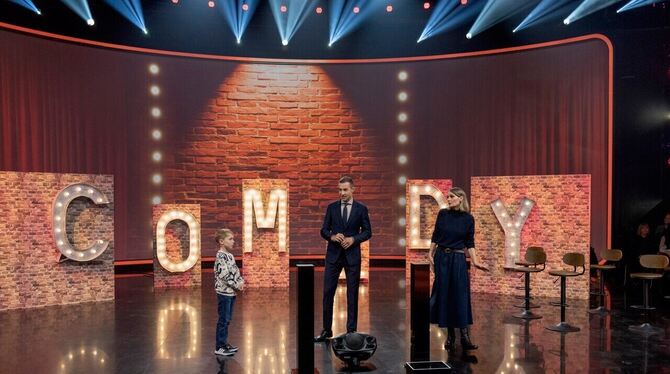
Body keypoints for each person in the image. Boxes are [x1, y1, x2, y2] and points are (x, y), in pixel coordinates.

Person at [428, 187, 487, 351]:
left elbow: (470, 242)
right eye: (448, 197)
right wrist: (430, 253)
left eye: (452, 196)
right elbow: (436, 235)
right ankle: (450, 336)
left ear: (461, 199)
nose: (449, 199)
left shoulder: (468, 218)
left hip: (458, 259)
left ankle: (465, 337)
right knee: (445, 295)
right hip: (442, 257)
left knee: (460, 296)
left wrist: (475, 261)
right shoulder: (443, 214)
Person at [314, 176, 372, 342]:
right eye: (339, 190)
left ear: (353, 189)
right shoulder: (331, 208)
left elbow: (368, 232)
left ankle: (351, 331)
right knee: (327, 293)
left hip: (352, 256)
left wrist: (353, 239)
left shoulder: (361, 209)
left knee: (352, 294)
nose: (342, 193)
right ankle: (326, 330)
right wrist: (332, 236)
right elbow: (324, 230)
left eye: (345, 190)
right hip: (333, 256)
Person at [214, 229, 245, 356]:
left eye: (233, 239)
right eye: (230, 239)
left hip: (232, 293)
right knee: (223, 319)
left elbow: (235, 271)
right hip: (224, 293)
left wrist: (241, 281)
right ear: (222, 241)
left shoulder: (230, 256)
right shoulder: (220, 256)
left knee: (227, 319)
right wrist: (237, 284)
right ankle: (219, 346)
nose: (233, 241)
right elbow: (225, 275)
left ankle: (224, 343)